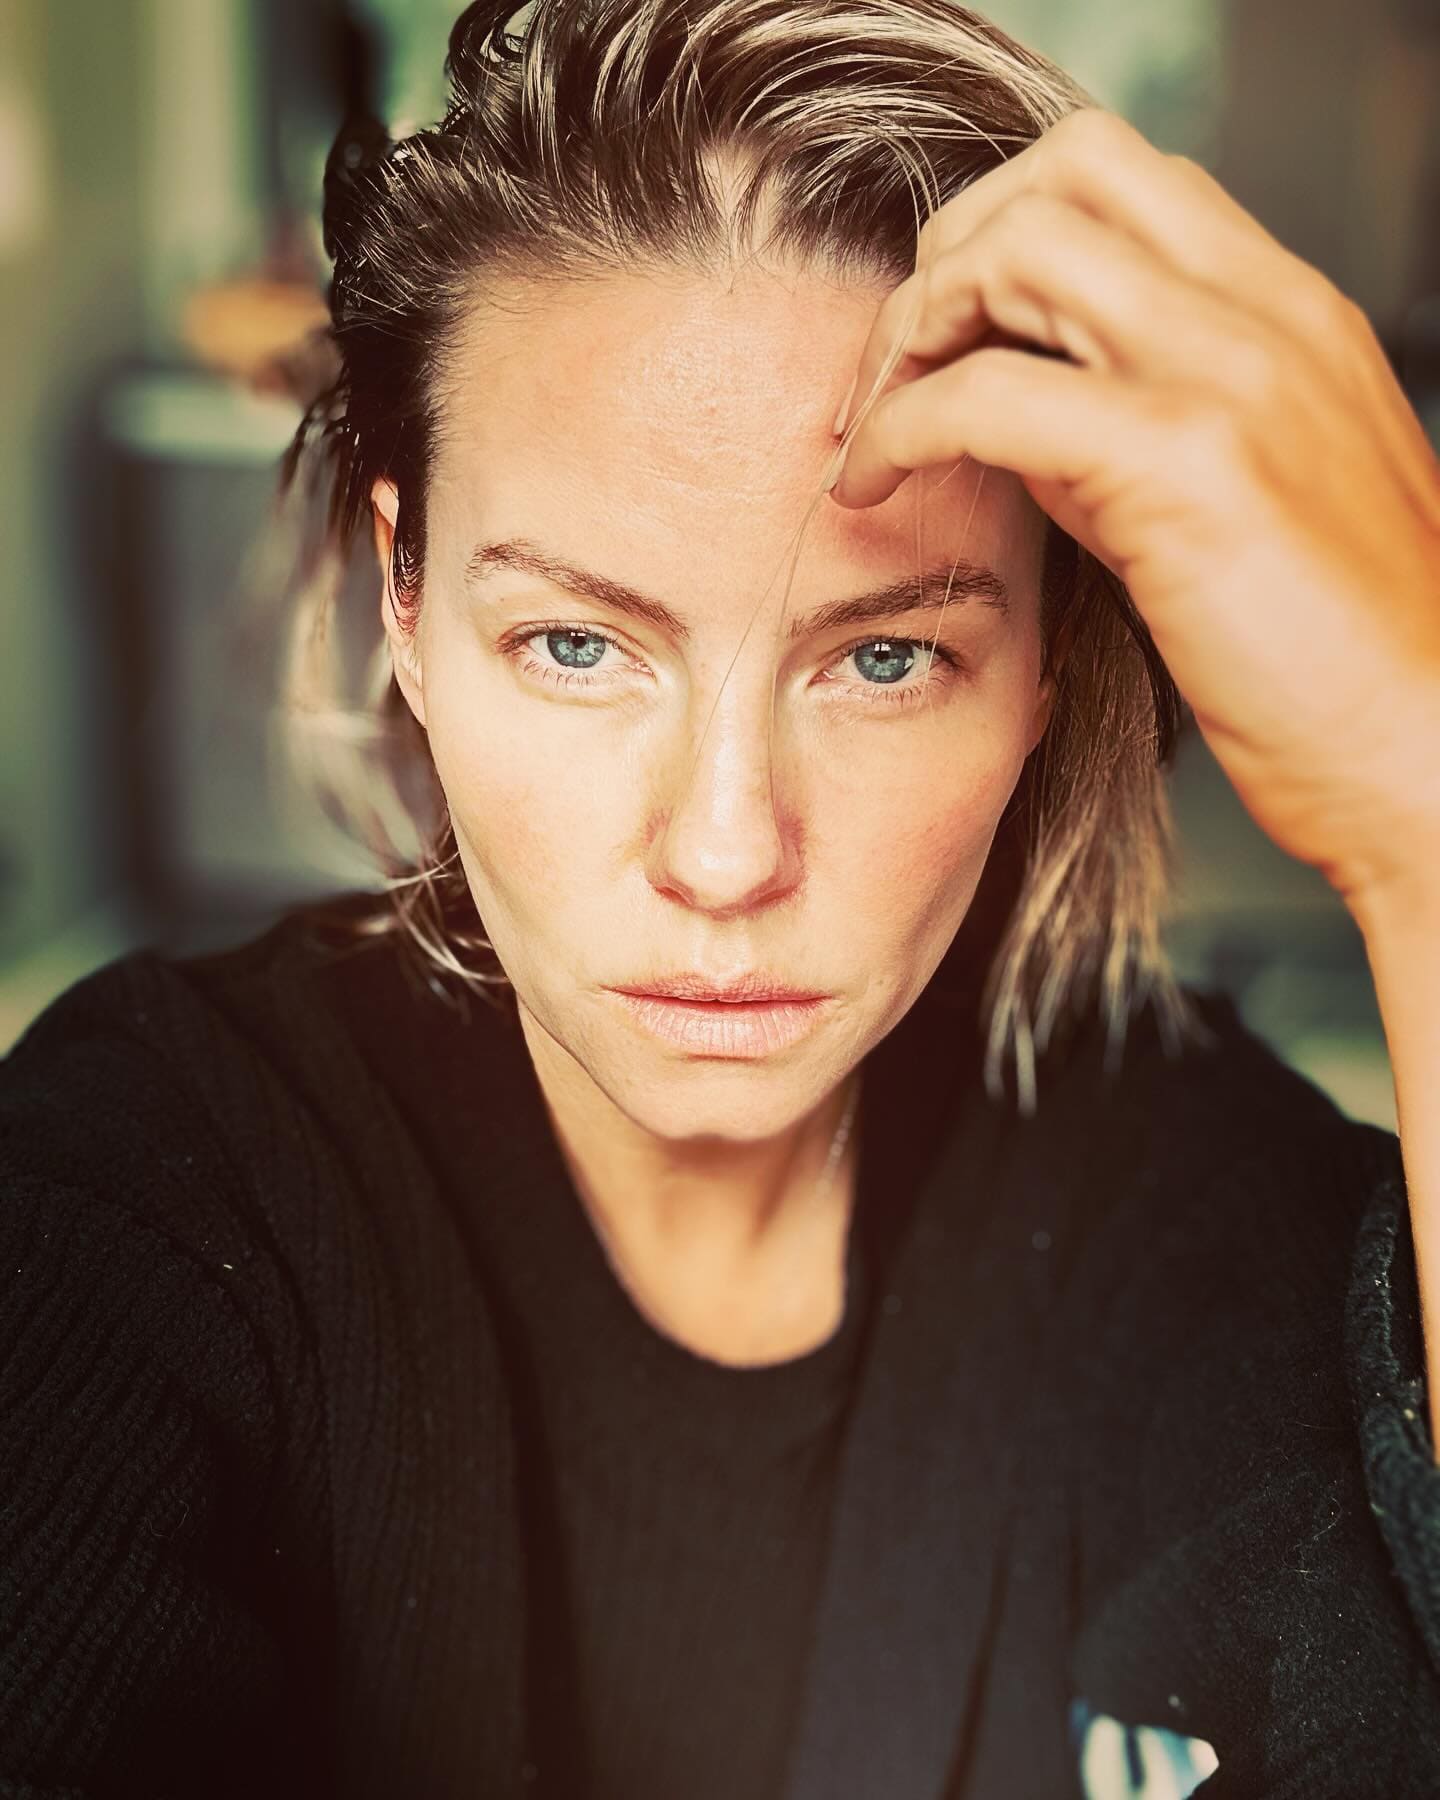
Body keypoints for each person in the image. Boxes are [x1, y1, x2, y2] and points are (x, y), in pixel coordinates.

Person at [3, 0, 1439, 1795]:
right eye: (578, 644)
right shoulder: (123, 1195)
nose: (726, 852)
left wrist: (1422, 806)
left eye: (888, 659)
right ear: (406, 601)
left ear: (1049, 665)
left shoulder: (1203, 1204)